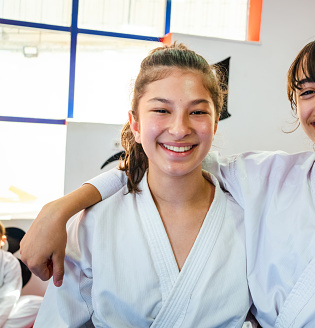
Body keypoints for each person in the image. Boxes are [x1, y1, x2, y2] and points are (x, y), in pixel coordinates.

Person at [22, 36, 315, 327]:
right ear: (134, 122)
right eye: (306, 92)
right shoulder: (270, 180)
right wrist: (63, 207)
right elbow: (169, 162)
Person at [33, 43, 251, 327]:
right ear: (135, 124)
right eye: (161, 110)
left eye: (197, 112)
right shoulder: (94, 222)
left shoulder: (248, 217)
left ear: (215, 123)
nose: (179, 128)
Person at [0, 221, 43, 328]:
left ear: (2, 240)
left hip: (3, 308)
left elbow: (10, 296)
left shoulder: (10, 261)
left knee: (38, 303)